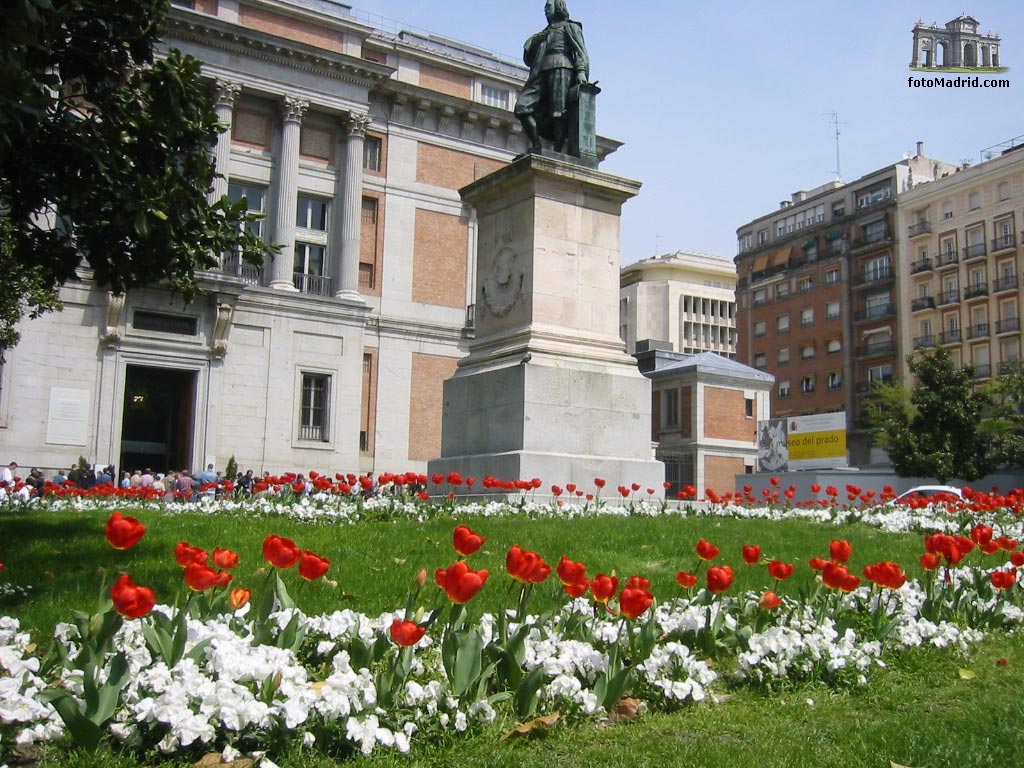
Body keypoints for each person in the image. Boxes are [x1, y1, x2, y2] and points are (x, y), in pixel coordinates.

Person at [514, 0, 589, 154]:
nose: (545, 10)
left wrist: (581, 71)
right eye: (545, 8)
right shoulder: (544, 33)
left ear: (558, 7)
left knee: (558, 111)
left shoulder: (570, 27)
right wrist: (537, 40)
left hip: (562, 67)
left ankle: (557, 150)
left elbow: (580, 51)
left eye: (548, 7)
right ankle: (537, 145)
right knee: (522, 107)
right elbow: (529, 54)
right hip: (540, 72)